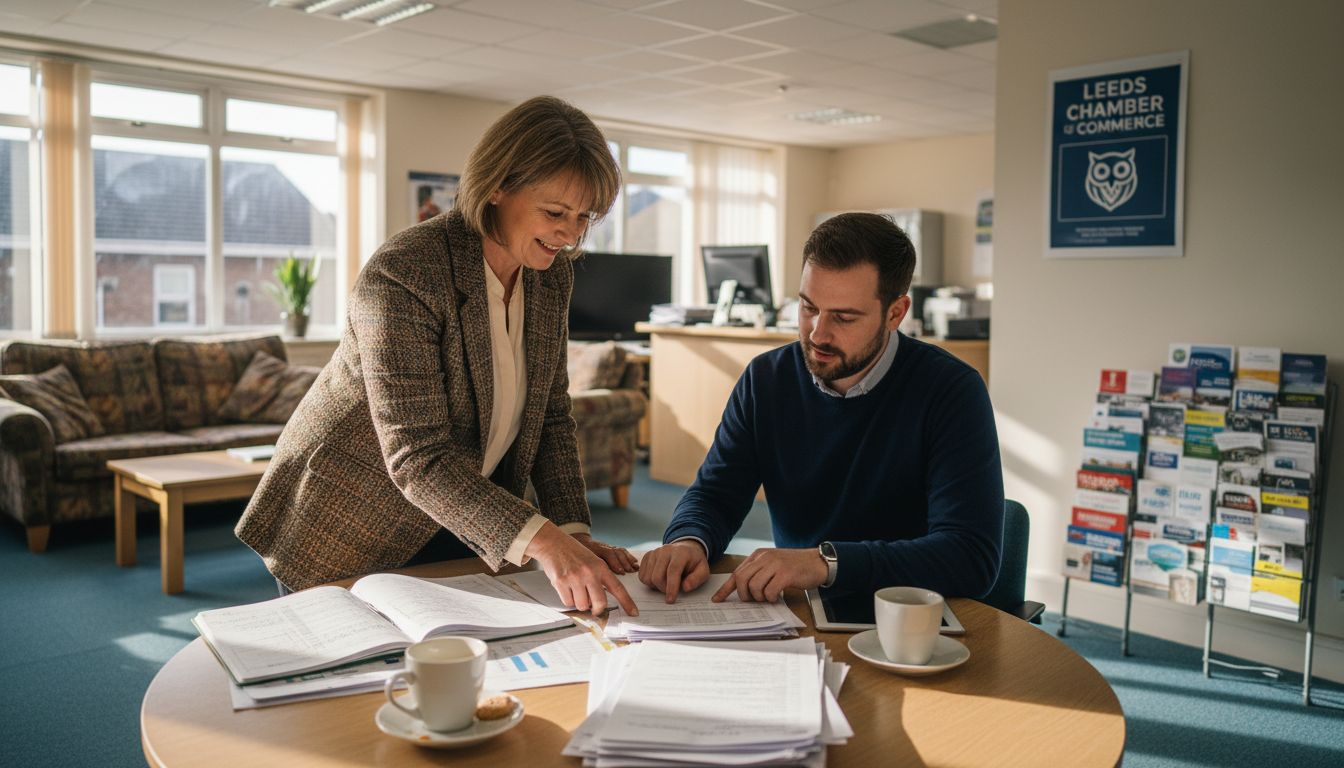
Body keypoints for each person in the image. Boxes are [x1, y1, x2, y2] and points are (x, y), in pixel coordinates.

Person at [237, 96, 639, 616]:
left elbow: (550, 416)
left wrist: (571, 532)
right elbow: (416, 456)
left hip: (462, 516)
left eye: (585, 217)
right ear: (496, 187)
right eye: (555, 212)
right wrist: (544, 543)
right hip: (351, 517)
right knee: (358, 691)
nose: (572, 234)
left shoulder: (550, 276)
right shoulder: (406, 272)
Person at [639, 212, 1003, 604]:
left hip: (909, 618)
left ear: (896, 313)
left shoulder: (951, 391)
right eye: (809, 307)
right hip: (799, 609)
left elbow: (969, 558)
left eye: (844, 317)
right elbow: (715, 494)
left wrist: (826, 562)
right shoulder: (767, 379)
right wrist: (689, 541)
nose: (818, 333)